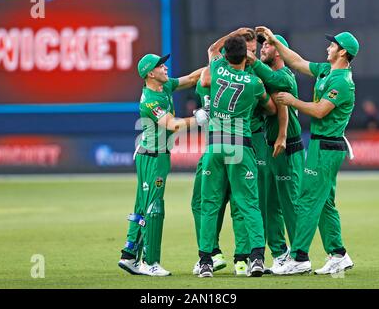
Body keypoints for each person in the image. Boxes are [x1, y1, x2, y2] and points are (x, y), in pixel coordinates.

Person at [257, 26, 358, 275]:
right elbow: (297, 61)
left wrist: (293, 102)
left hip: (326, 146)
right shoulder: (327, 70)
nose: (328, 47)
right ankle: (338, 254)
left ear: (342, 52)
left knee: (308, 200)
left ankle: (299, 257)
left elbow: (321, 110)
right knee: (325, 203)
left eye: (332, 45)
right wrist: (273, 40)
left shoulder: (342, 82)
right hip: (320, 144)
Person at [118, 53, 207, 276]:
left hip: (154, 155)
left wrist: (216, 64)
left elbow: (191, 78)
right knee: (154, 208)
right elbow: (172, 124)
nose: (165, 67)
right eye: (160, 65)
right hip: (152, 157)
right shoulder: (151, 99)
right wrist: (198, 119)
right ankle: (150, 262)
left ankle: (129, 255)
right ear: (150, 73)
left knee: (142, 205)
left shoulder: (164, 87)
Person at [198, 35, 276, 278]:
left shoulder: (218, 69)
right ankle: (255, 259)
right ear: (246, 56)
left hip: (215, 146)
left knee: (209, 205)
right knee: (249, 204)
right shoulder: (254, 83)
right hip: (240, 147)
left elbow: (212, 48)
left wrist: (231, 36)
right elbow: (272, 108)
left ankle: (205, 262)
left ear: (226, 55)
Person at [249, 34, 305, 273]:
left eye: (269, 44)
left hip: (289, 147)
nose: (263, 48)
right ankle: (280, 254)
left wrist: (282, 134)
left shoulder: (283, 76)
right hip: (271, 147)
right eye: (263, 44)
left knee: (290, 203)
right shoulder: (266, 75)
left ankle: (300, 257)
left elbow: (278, 99)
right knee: (269, 204)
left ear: (280, 51)